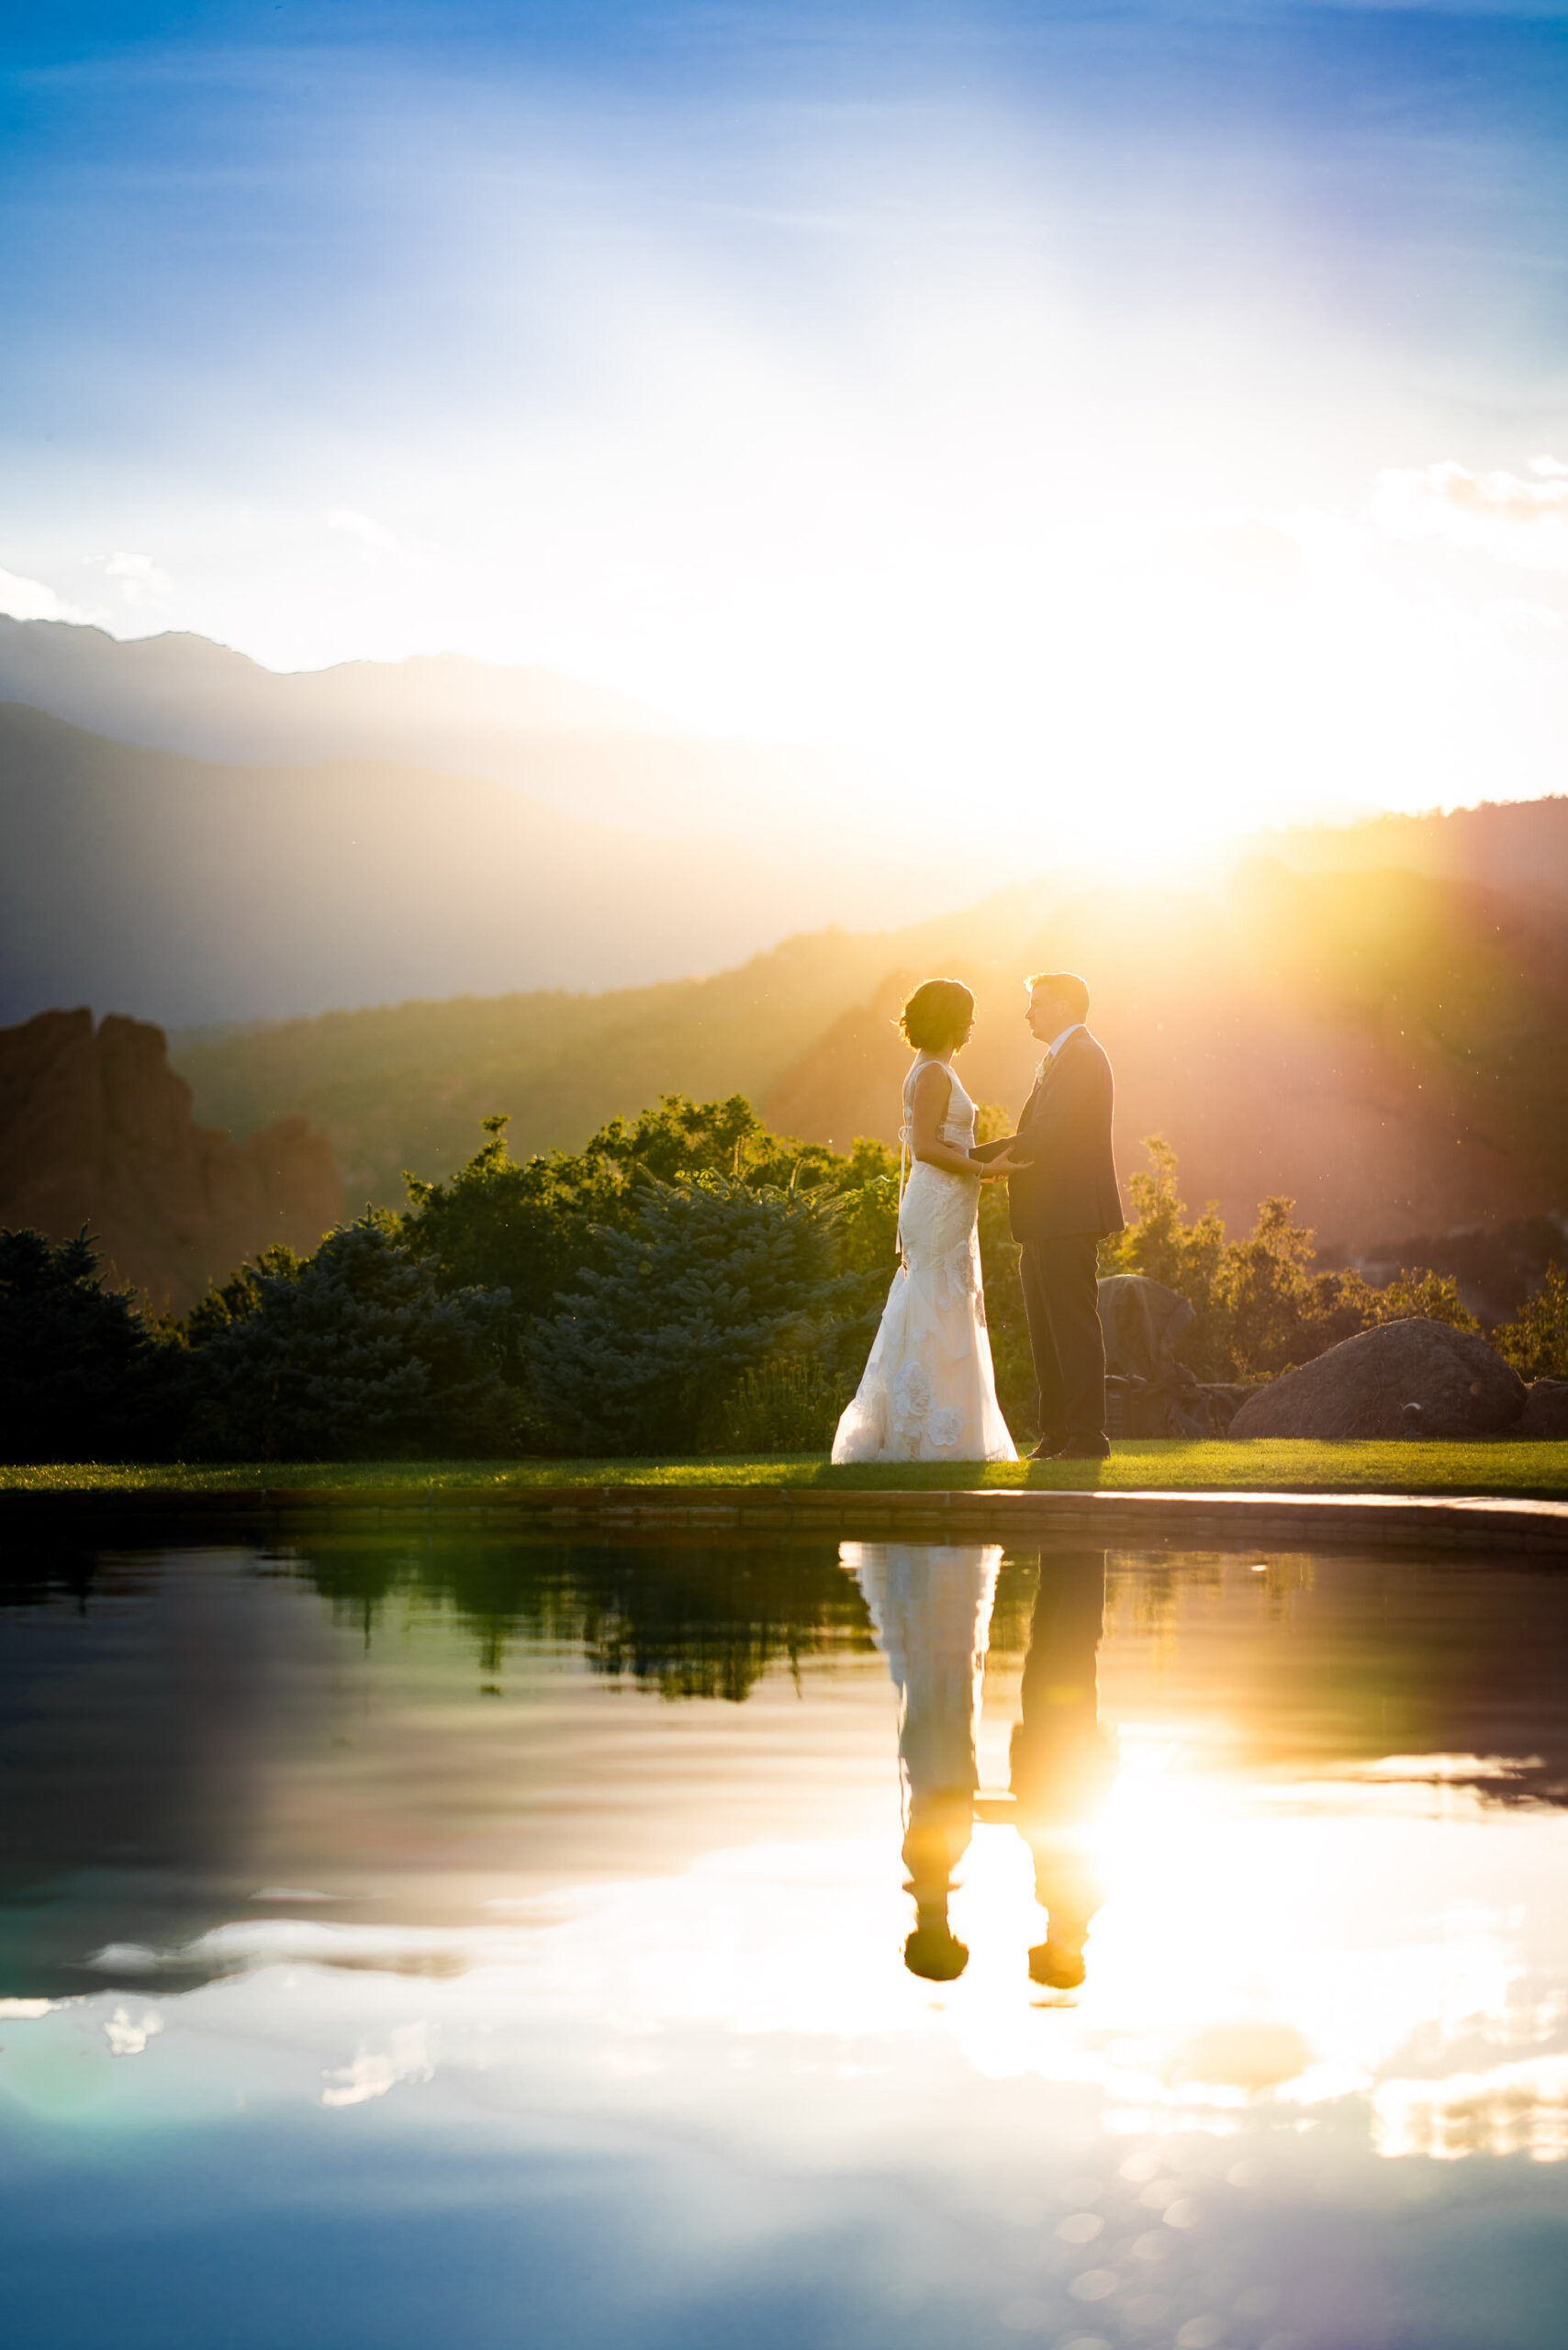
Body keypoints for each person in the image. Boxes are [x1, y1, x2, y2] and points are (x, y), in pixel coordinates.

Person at [832, 977, 1017, 1464]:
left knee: (946, 1302)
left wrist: (981, 1162)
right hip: (937, 1204)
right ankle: (929, 1435)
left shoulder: (931, 1069)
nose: (973, 1025)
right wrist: (984, 1168)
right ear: (953, 1020)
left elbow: (940, 1142)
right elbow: (926, 1148)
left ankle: (939, 1428)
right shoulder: (934, 1072)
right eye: (968, 1016)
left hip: (946, 1203)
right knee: (939, 1304)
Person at [842, 1539, 1002, 1981]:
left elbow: (942, 1798)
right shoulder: (928, 1865)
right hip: (935, 1744)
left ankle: (935, 1570)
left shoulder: (935, 1863)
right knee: (944, 1658)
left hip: (939, 1745)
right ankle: (936, 1571)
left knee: (943, 1660)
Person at [982, 972, 1124, 1460]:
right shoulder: (1062, 1058)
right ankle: (1057, 1434)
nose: (1028, 1013)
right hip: (1045, 1215)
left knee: (1072, 1327)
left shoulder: (1083, 1057)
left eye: (1036, 1004)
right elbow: (1040, 1131)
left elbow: (1046, 1132)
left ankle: (1087, 1437)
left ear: (1063, 1008)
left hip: (1068, 1212)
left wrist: (970, 1162)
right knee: (1046, 1331)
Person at [1010, 1549, 1116, 1991]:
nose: (1046, 1938)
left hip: (1057, 1746)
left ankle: (1065, 1554)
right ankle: (1080, 1554)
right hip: (1061, 1746)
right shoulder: (1072, 1898)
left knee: (1057, 1641)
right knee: (1066, 1645)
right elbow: (1057, 1820)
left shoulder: (1069, 1900)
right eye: (1047, 1947)